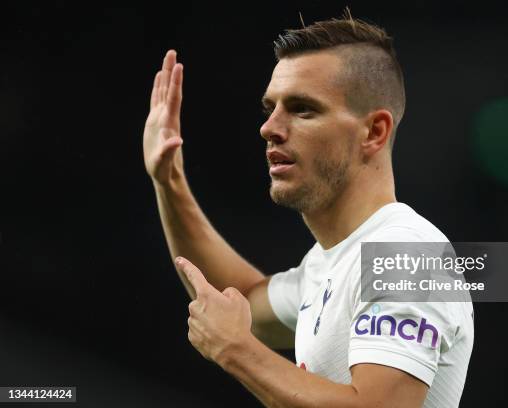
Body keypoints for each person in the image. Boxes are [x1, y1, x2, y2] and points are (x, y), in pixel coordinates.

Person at [143, 13, 473, 408]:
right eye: (271, 107)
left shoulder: (404, 252)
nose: (270, 127)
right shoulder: (330, 262)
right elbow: (240, 300)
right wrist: (170, 182)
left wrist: (236, 350)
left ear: (374, 132)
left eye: (302, 109)